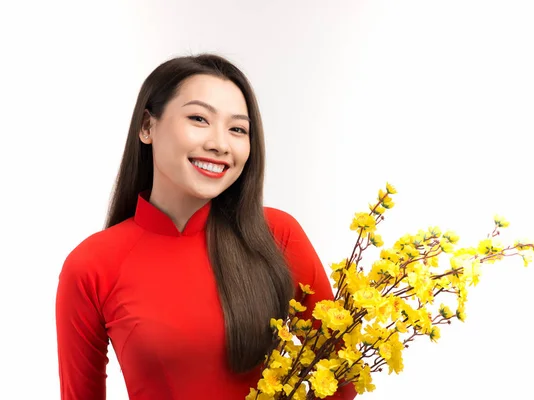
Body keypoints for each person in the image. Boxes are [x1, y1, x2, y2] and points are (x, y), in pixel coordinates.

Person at [55, 53, 358, 400]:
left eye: (237, 129)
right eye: (199, 118)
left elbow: (340, 382)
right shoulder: (91, 265)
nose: (219, 144)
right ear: (147, 127)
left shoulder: (276, 235)